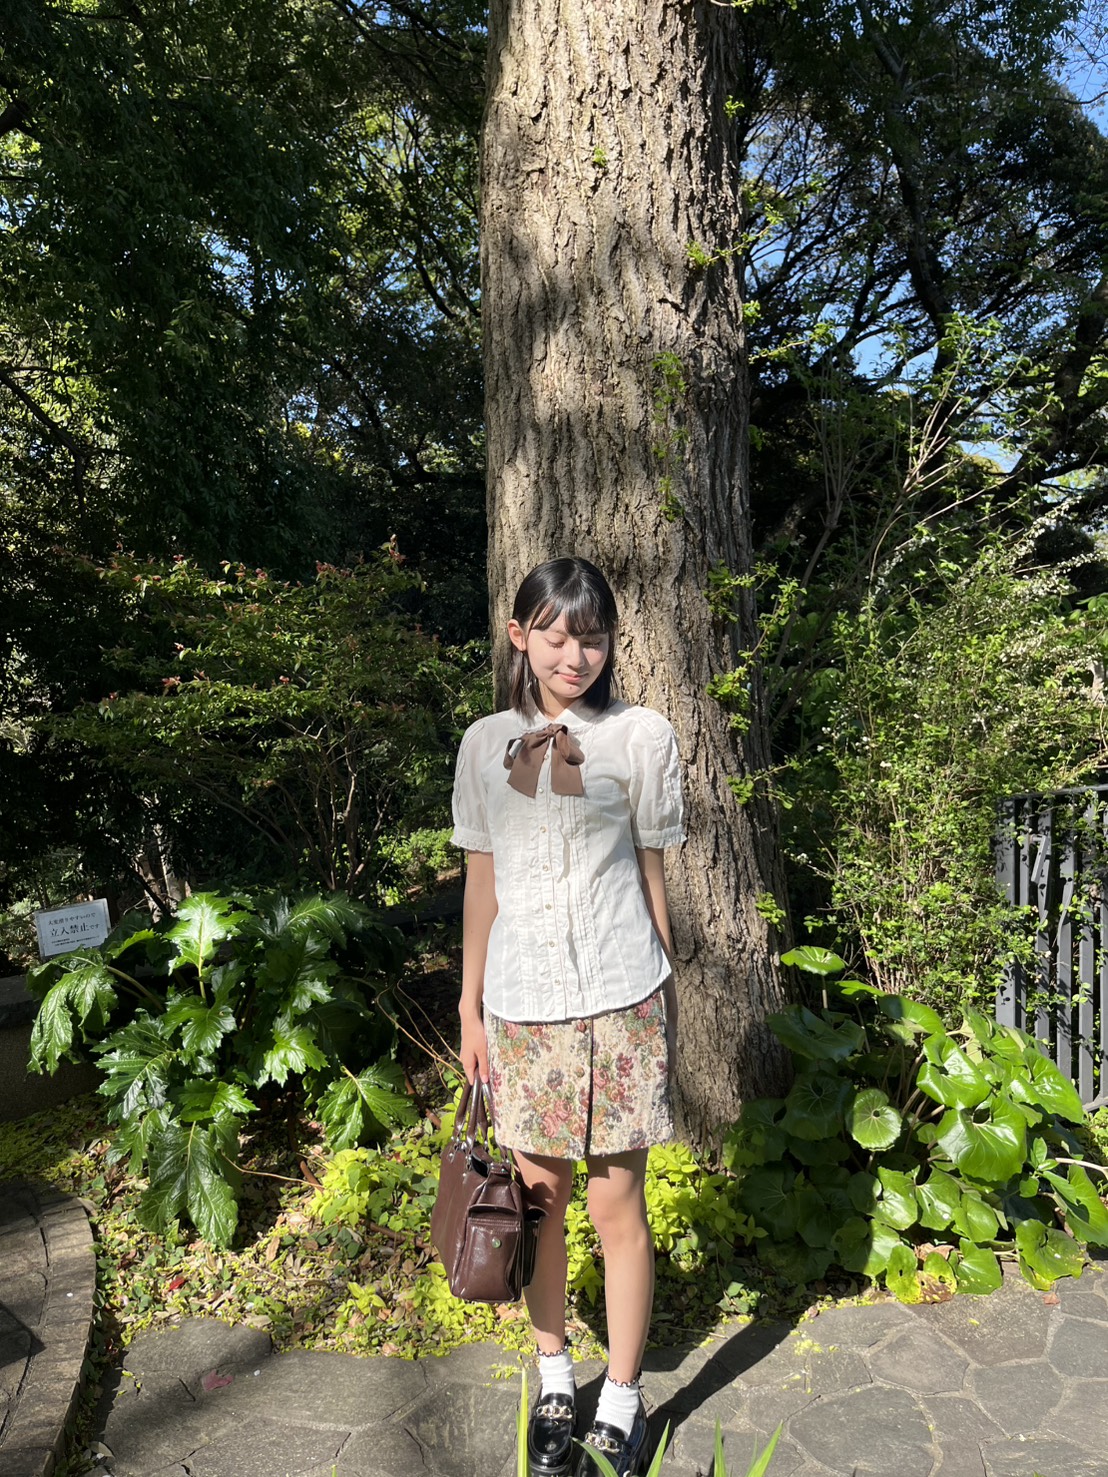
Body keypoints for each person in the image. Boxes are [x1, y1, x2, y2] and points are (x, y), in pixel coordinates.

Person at [450, 556, 685, 1477]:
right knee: (537, 1206)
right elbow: (480, 882)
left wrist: (666, 984)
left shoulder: (640, 737)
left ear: (610, 643)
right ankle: (554, 1379)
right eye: (554, 636)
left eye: (590, 638)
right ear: (519, 636)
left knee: (616, 1204)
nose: (573, 656)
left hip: (622, 1000)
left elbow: (653, 868)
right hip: (522, 1006)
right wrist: (468, 1004)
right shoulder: (484, 745)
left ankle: (622, 1397)